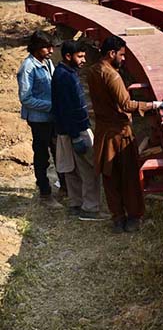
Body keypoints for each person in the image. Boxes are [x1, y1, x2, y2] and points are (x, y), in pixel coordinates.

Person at [86, 35, 163, 233]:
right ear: (112, 53)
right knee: (129, 177)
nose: (124, 59)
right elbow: (126, 104)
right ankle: (133, 217)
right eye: (122, 55)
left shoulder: (92, 71)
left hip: (103, 133)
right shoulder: (113, 76)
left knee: (110, 177)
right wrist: (154, 105)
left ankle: (117, 218)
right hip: (119, 134)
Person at [52, 40, 107, 221]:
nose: (83, 60)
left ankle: (76, 204)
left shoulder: (61, 72)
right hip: (77, 130)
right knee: (91, 169)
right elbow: (69, 109)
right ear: (68, 56)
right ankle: (90, 209)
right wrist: (77, 136)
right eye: (80, 56)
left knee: (72, 169)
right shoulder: (67, 77)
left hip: (66, 131)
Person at [16, 30, 65, 209]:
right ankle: (45, 193)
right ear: (36, 48)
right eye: (46, 47)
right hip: (39, 119)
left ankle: (64, 188)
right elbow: (26, 98)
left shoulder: (48, 63)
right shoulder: (27, 67)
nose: (51, 51)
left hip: (51, 117)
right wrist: (50, 105)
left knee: (58, 151)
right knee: (42, 155)